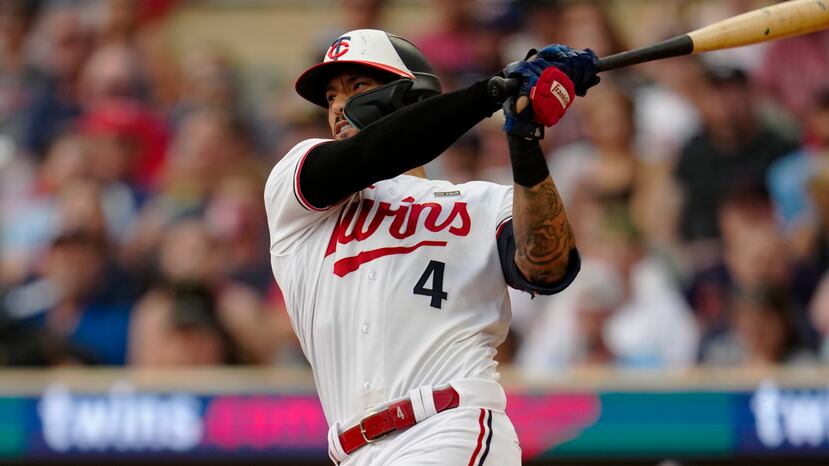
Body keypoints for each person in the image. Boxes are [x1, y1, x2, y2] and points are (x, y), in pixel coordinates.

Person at [264, 29, 598, 465]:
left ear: (413, 96)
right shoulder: (296, 196)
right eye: (330, 96)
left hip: (449, 425)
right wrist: (491, 91)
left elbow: (547, 269)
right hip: (352, 450)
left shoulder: (484, 201)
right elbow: (375, 152)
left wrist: (524, 139)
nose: (339, 106)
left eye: (358, 86)